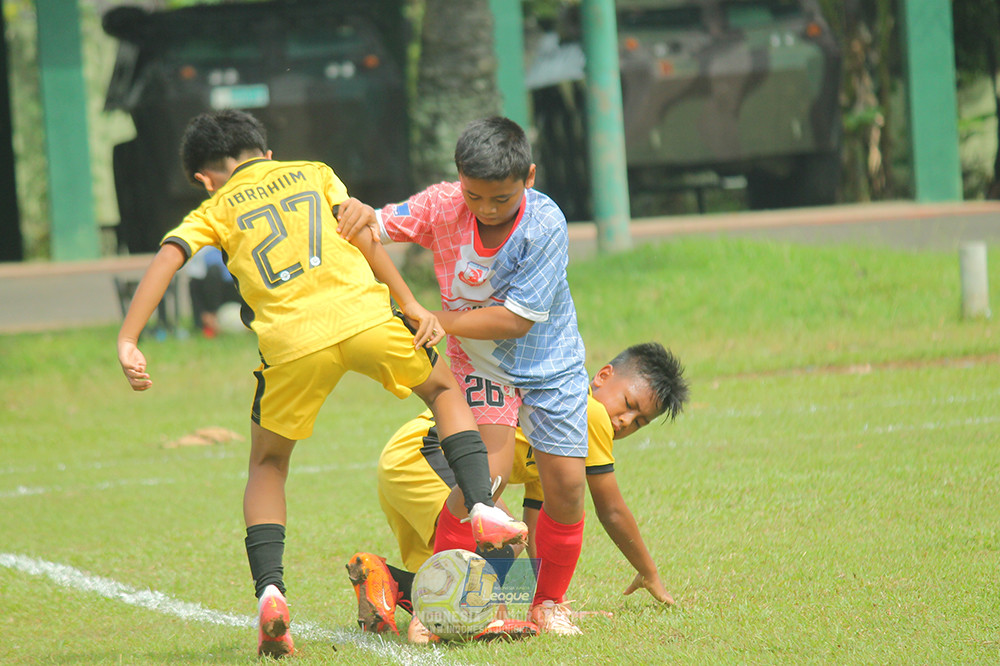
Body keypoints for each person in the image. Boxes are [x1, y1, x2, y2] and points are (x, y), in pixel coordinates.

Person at [115, 109, 526, 658]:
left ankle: (270, 591)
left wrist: (128, 337)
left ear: (203, 178)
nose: (627, 421)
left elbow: (170, 256)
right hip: (365, 320)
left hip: (290, 344)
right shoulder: (313, 170)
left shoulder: (215, 206)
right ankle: (485, 520)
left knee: (267, 465)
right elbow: (360, 234)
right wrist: (407, 303)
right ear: (265, 152)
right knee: (446, 392)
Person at [338, 116, 590, 634]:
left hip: (550, 365)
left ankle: (546, 606)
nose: (488, 210)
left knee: (565, 484)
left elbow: (517, 320)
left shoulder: (545, 224)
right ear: (458, 180)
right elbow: (371, 229)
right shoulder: (441, 205)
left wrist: (433, 319)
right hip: (479, 368)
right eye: (475, 197)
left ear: (530, 177)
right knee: (486, 486)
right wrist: (359, 212)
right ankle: (439, 608)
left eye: (502, 199)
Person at [347, 342, 690, 643]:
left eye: (640, 422)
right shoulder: (588, 412)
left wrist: (548, 601)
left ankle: (383, 580)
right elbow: (610, 509)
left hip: (404, 460)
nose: (625, 421)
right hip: (430, 453)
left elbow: (539, 522)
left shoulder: (557, 430)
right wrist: (649, 572)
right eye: (628, 404)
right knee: (503, 538)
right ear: (602, 376)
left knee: (457, 588)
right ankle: (458, 622)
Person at [184, 245, 241, 337]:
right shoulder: (203, 252)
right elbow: (195, 286)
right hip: (210, 296)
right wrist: (206, 314)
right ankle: (208, 322)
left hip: (236, 292)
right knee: (213, 272)